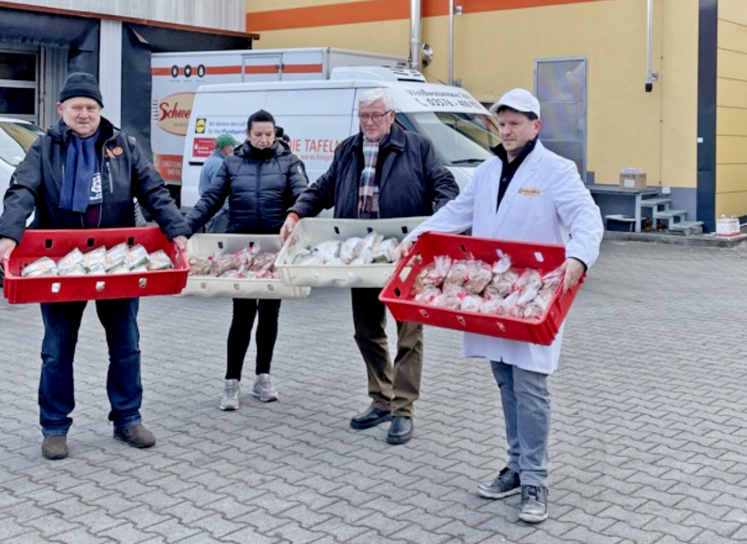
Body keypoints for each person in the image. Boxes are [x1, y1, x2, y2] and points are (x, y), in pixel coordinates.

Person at [398, 88, 604, 522]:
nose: (507, 131)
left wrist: (579, 256)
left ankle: (535, 480)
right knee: (505, 380)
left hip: (534, 296)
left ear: (535, 126)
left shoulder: (556, 170)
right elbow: (457, 212)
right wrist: (417, 235)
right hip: (493, 293)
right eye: (502, 124)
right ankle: (515, 465)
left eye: (515, 124)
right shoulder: (490, 170)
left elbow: (587, 218)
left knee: (530, 386)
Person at [0, 73, 191, 460]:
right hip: (61, 264)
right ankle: (54, 427)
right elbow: (22, 190)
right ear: (61, 110)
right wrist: (8, 234)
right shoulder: (44, 149)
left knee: (127, 345)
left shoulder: (123, 146)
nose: (84, 114)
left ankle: (127, 418)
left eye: (91, 107)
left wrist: (177, 231)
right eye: (77, 107)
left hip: (117, 261)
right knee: (57, 349)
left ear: (100, 110)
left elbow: (153, 189)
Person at [280, 87, 458, 445]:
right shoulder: (348, 149)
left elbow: (445, 186)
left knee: (409, 334)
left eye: (377, 115)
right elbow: (324, 187)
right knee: (366, 331)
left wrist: (437, 225)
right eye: (364, 116)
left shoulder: (418, 147)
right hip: (361, 252)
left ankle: (403, 410)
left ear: (391, 116)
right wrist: (296, 212)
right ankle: (382, 397)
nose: (370, 123)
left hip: (405, 252)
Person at [185, 109, 308, 411]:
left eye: (269, 134)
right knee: (242, 316)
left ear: (275, 133)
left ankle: (262, 377)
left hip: (274, 250)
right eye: (258, 134)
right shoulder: (232, 163)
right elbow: (211, 199)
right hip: (241, 250)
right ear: (248, 134)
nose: (264, 140)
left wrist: (299, 218)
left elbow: (303, 196)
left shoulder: (289, 162)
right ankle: (231, 383)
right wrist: (184, 228)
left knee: (269, 315)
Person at [198, 134, 238, 233]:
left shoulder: (210, 160)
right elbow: (219, 191)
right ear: (226, 148)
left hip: (212, 212)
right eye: (233, 146)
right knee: (217, 245)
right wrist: (229, 209)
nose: (234, 149)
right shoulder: (219, 164)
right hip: (219, 214)